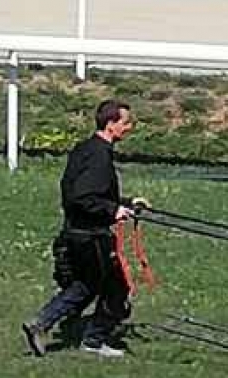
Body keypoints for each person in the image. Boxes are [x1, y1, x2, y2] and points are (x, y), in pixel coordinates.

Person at [22, 99, 143, 359]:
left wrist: (126, 203)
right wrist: (112, 211)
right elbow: (84, 197)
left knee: (84, 285)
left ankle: (41, 324)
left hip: (75, 232)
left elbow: (85, 192)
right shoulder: (100, 156)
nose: (130, 128)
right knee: (116, 288)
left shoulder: (86, 149)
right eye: (126, 122)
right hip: (91, 236)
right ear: (111, 124)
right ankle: (92, 340)